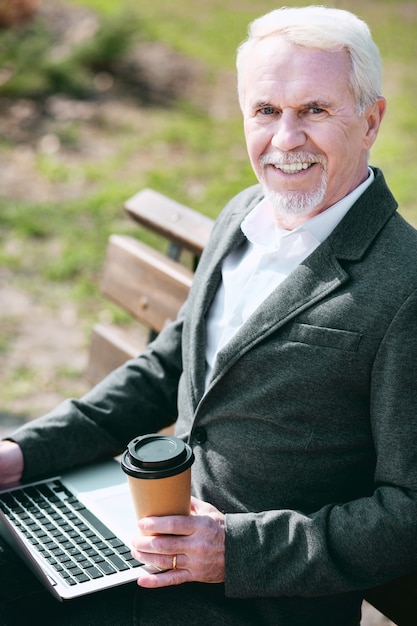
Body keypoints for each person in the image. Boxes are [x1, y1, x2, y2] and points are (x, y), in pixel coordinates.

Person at [1, 5, 417, 625]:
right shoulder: (242, 214)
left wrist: (232, 551)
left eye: (316, 110)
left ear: (371, 119)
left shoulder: (404, 284)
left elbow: (406, 513)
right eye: (266, 110)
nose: (285, 138)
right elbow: (168, 364)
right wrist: (24, 452)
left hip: (247, 599)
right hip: (146, 536)